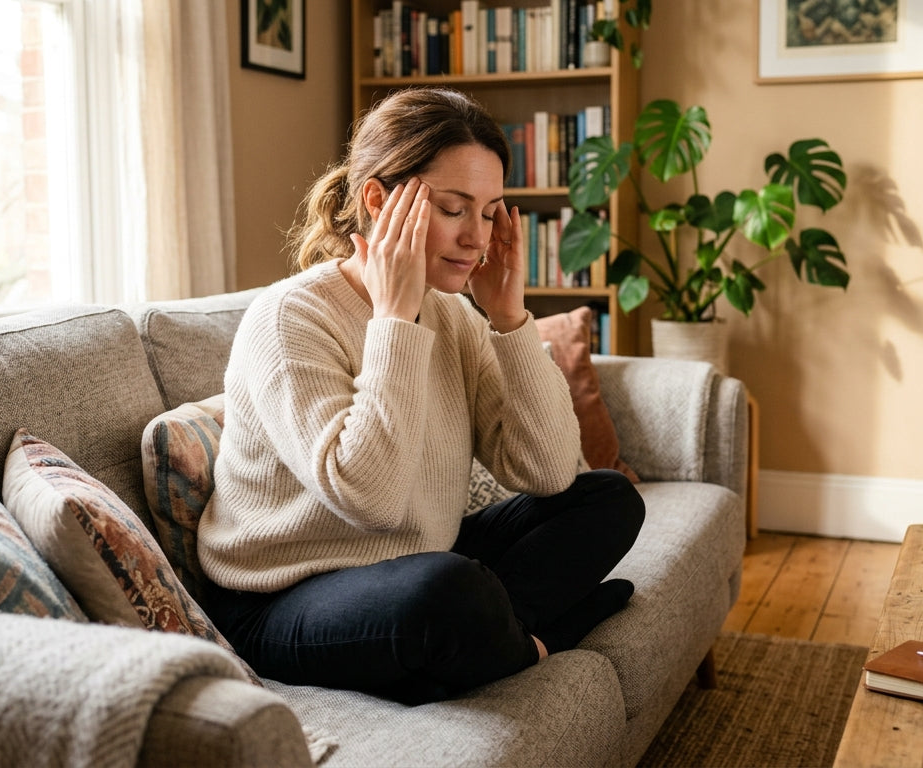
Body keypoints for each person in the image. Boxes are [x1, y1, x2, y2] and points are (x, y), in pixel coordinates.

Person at [199, 87, 644, 705]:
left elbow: (545, 473)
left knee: (607, 499)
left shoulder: (455, 316)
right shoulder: (288, 318)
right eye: (454, 209)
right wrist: (394, 321)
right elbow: (368, 497)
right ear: (378, 201)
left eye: (489, 213)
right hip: (282, 596)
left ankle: (480, 640)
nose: (477, 239)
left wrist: (510, 318)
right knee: (445, 591)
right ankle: (531, 641)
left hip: (416, 557)